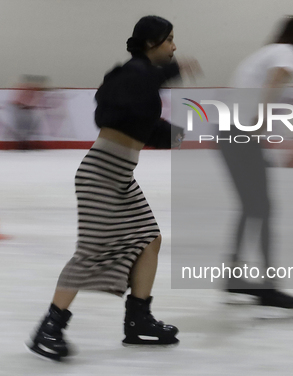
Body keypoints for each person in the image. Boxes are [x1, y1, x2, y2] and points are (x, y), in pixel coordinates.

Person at [27, 15, 198, 361]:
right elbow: (125, 93)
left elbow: (146, 128)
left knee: (149, 239)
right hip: (100, 175)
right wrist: (172, 70)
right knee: (90, 252)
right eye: (169, 40)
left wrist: (184, 134)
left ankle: (138, 320)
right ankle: (49, 328)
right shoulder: (133, 74)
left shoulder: (139, 85)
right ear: (152, 43)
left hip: (120, 176)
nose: (175, 47)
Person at [221, 16, 293, 309]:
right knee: (262, 206)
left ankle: (234, 274)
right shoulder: (287, 52)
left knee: (252, 205)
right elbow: (276, 78)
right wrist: (262, 119)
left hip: (228, 131)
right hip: (241, 131)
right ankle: (268, 285)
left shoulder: (268, 51)